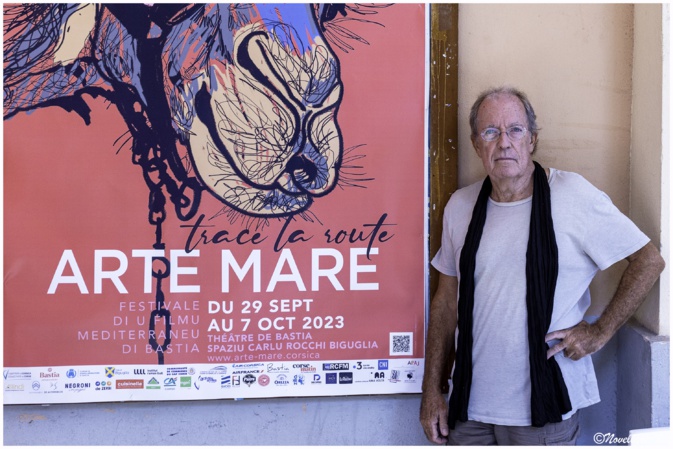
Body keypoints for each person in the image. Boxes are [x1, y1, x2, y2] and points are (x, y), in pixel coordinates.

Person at [420, 86, 665, 445]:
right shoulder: (460, 206)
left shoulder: (572, 195)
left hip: (545, 408)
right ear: (476, 144)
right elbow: (445, 304)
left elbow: (648, 260)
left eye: (515, 130)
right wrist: (431, 390)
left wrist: (599, 331)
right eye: (490, 132)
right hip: (468, 408)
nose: (504, 142)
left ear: (532, 139)